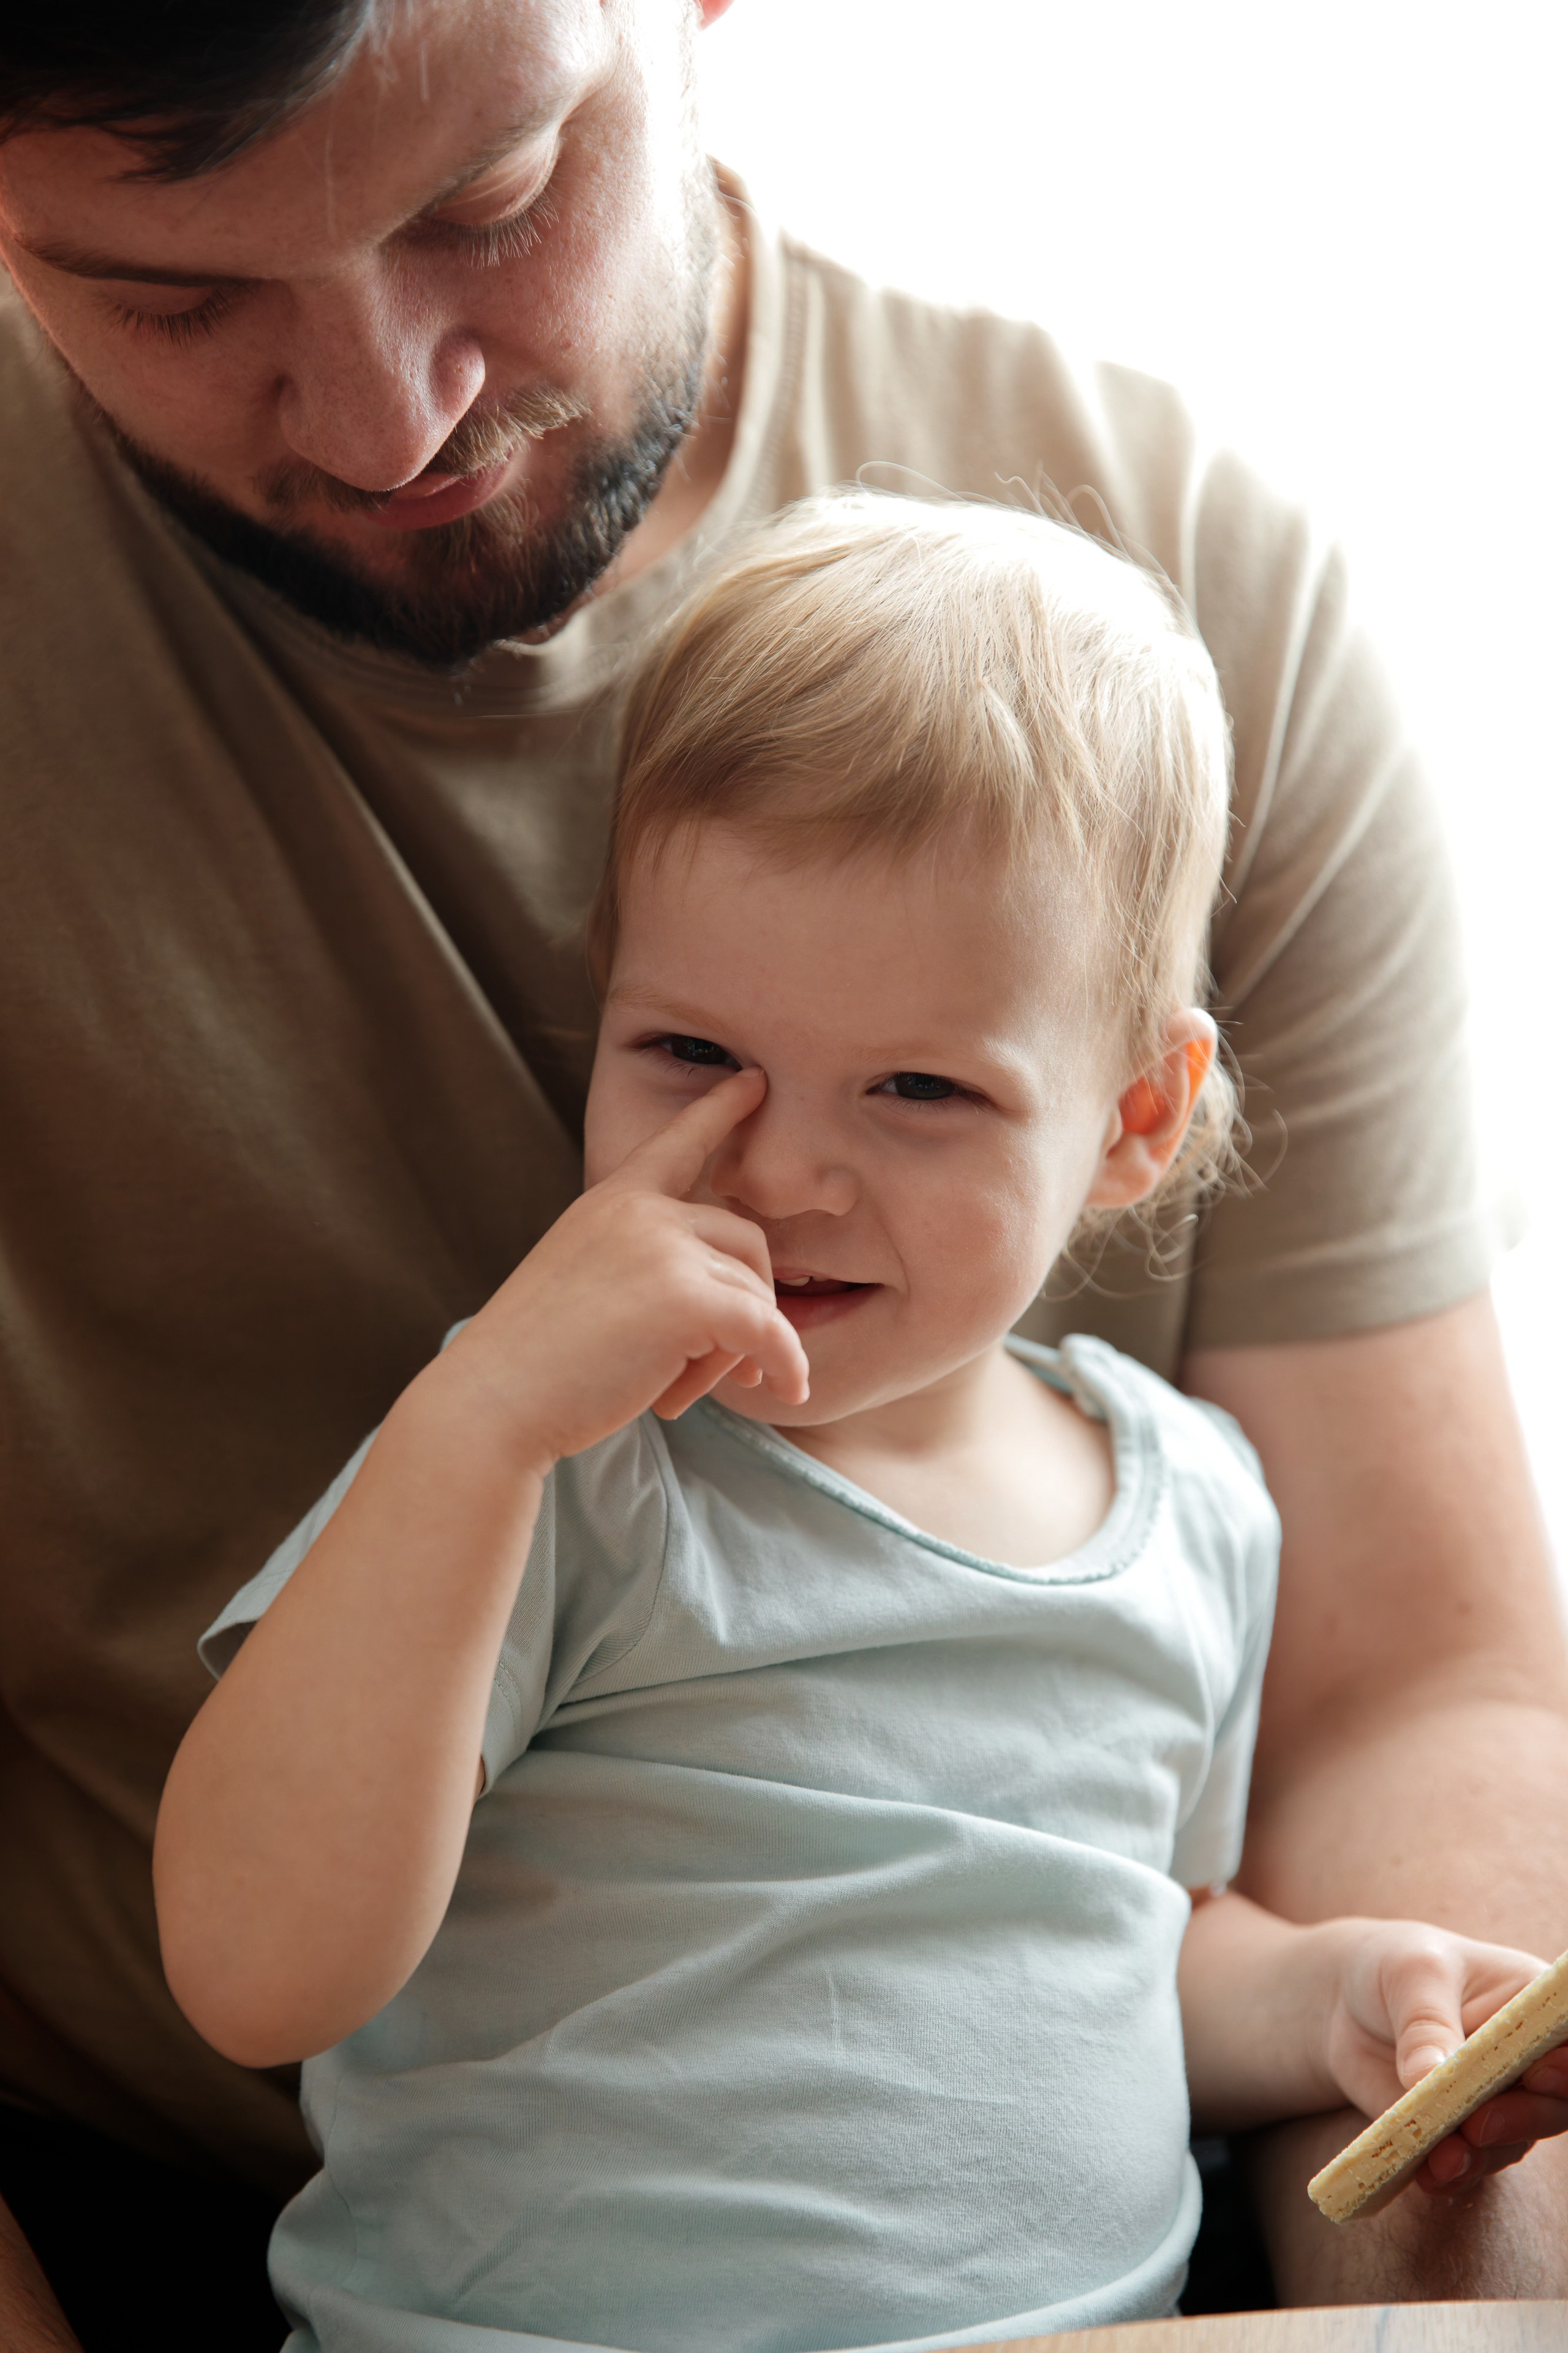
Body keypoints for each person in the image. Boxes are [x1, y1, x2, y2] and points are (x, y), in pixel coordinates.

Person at [0, 2, 1564, 2346]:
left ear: (1139, 1122)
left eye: (492, 201)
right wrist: (482, 1425)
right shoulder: (574, 1472)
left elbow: (1118, 1915)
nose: (394, 408)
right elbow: (259, 1955)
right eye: (171, 290)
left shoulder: (1188, 1508)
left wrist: (1353, 2011)